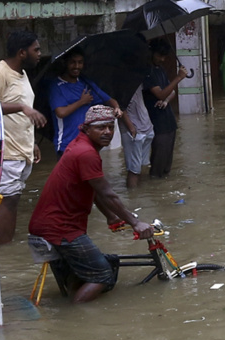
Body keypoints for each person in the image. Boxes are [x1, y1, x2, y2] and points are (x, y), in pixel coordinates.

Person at [28, 106, 154, 304]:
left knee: (82, 275)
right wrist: (135, 222)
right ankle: (76, 317)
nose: (107, 132)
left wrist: (110, 216)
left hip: (51, 225)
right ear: (86, 129)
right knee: (102, 275)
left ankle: (72, 302)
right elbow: (108, 194)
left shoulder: (80, 145)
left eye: (111, 127)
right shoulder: (86, 153)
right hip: (61, 228)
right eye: (101, 127)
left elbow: (92, 188)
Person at [0, 30, 47, 245]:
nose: (39, 53)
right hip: (5, 152)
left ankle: (3, 248)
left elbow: (22, 115)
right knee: (6, 202)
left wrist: (33, 142)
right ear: (21, 52)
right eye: (36, 49)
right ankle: (3, 250)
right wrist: (21, 107)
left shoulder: (23, 74)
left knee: (13, 200)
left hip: (21, 150)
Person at [48, 48, 121, 159]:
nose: (76, 66)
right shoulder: (56, 86)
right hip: (66, 143)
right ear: (65, 63)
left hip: (87, 142)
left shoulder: (86, 83)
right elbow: (61, 112)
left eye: (80, 63)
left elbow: (109, 100)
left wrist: (116, 108)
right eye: (73, 62)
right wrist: (82, 102)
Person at [142, 39, 188, 179]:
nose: (162, 59)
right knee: (158, 159)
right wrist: (179, 78)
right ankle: (155, 184)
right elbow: (160, 93)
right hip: (156, 121)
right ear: (151, 53)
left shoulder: (160, 69)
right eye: (159, 55)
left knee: (167, 161)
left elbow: (170, 93)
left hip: (168, 120)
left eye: (164, 56)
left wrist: (166, 101)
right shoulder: (147, 72)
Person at [120, 82, 154, 188]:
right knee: (133, 170)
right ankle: (133, 198)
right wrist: (131, 128)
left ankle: (139, 196)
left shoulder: (138, 81)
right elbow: (120, 107)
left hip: (146, 128)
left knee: (142, 167)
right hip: (133, 131)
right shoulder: (120, 83)